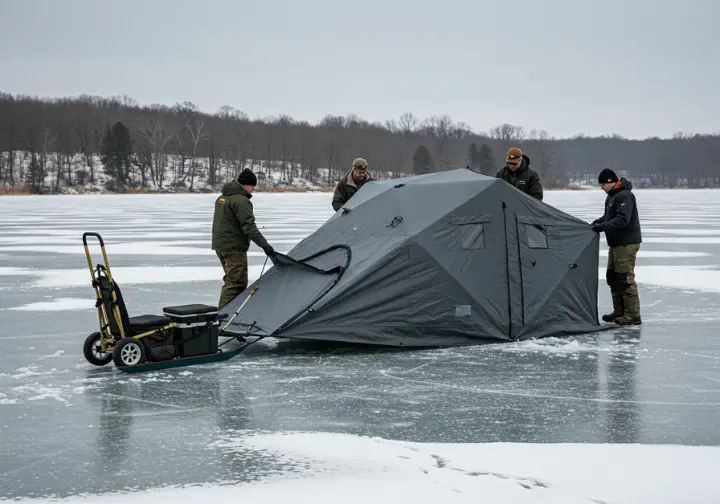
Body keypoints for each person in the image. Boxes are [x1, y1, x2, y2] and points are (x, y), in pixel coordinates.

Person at [211, 168, 276, 309]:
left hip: (221, 246)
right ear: (246, 184)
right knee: (236, 284)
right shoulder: (241, 200)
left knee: (231, 281)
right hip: (233, 248)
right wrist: (265, 245)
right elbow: (249, 226)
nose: (253, 190)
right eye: (253, 186)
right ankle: (222, 318)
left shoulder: (222, 198)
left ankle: (224, 315)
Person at [591, 168, 643, 326]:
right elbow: (608, 217)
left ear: (610, 182)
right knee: (613, 277)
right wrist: (597, 223)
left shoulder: (625, 196)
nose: (601, 188)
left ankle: (633, 315)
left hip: (626, 243)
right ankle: (619, 311)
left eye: (602, 185)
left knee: (625, 278)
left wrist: (602, 227)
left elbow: (622, 219)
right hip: (615, 244)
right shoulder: (612, 197)